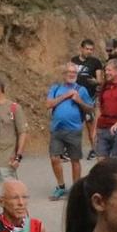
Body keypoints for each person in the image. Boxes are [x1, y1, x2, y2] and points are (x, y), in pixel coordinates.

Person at [46, 61, 93, 199]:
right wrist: (66, 96)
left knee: (75, 160)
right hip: (57, 129)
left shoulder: (81, 89)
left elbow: (90, 108)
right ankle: (60, 186)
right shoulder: (56, 88)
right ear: (64, 74)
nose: (71, 75)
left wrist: (79, 101)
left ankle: (76, 188)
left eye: (74, 73)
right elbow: (48, 104)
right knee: (54, 158)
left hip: (74, 129)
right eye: (69, 72)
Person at [75, 40, 103, 158]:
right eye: (87, 49)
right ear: (81, 48)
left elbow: (100, 80)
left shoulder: (95, 62)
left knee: (90, 124)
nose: (89, 51)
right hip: (75, 96)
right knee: (74, 124)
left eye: (91, 49)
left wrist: (95, 82)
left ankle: (94, 149)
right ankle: (72, 149)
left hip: (89, 97)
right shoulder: (74, 61)